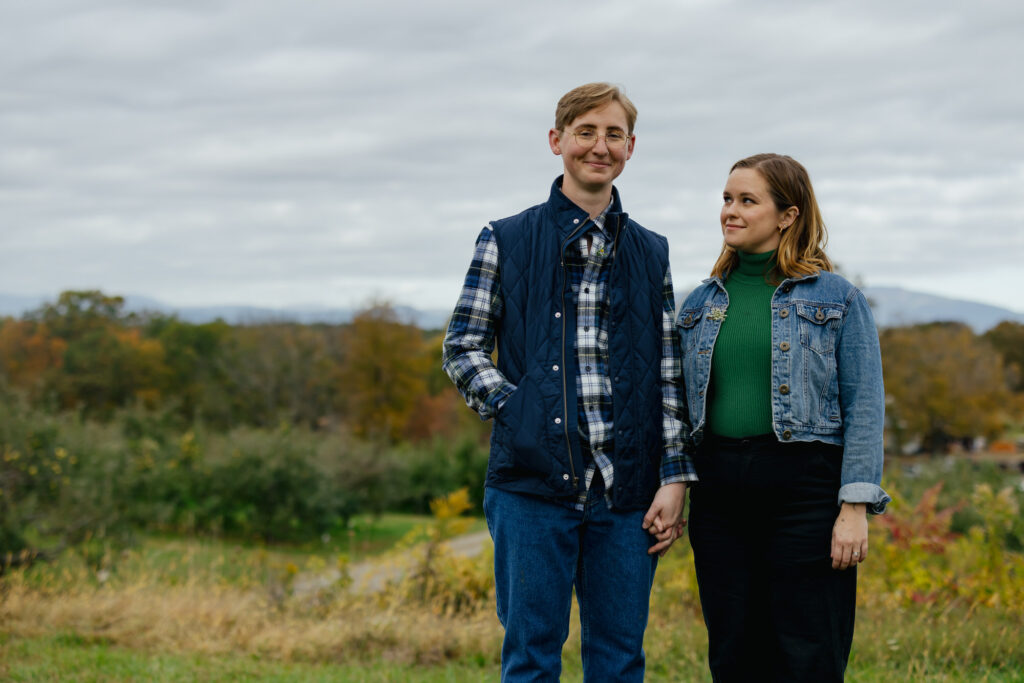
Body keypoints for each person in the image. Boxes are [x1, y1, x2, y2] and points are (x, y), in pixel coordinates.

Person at [442, 82, 695, 681]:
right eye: (586, 131)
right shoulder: (504, 238)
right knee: (531, 657)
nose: (598, 146)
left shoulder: (650, 251)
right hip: (530, 487)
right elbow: (463, 347)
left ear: (631, 147)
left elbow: (666, 368)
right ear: (557, 141)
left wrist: (675, 476)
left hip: (626, 493)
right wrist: (518, 407)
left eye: (613, 134)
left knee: (618, 659)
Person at [676, 153, 890, 682]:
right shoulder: (698, 304)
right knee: (733, 653)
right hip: (720, 495)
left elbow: (865, 404)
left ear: (788, 215)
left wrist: (855, 506)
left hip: (806, 493)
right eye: (727, 199)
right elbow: (677, 408)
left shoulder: (837, 299)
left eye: (747, 200)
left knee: (808, 652)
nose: (731, 211)